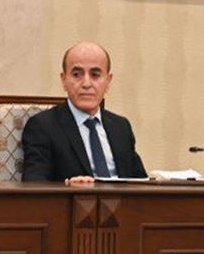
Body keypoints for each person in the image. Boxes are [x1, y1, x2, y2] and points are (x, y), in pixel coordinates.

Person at [22, 41, 147, 184]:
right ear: (64, 80)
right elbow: (34, 183)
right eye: (77, 75)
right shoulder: (43, 126)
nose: (86, 84)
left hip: (122, 199)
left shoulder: (121, 126)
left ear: (108, 81)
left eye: (95, 75)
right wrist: (68, 188)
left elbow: (141, 183)